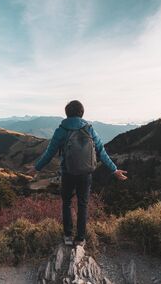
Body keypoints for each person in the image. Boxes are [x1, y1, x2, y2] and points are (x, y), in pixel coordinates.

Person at [27, 100, 127, 247]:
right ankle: (80, 239)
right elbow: (101, 151)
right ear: (82, 113)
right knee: (83, 205)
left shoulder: (61, 130)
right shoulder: (90, 129)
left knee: (66, 203)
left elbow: (50, 153)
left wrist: (37, 168)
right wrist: (114, 169)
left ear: (67, 114)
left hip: (67, 173)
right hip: (86, 174)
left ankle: (67, 236)